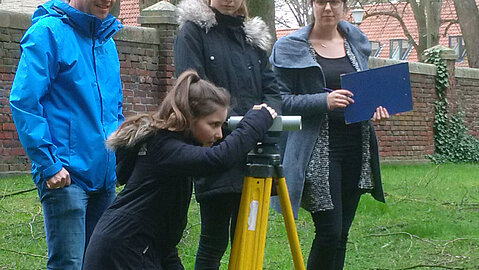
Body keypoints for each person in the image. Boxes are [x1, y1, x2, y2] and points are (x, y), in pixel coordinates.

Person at [82, 70, 277, 270]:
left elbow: (162, 236)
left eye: (222, 125)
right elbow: (218, 159)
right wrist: (256, 122)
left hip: (141, 244)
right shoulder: (165, 147)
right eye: (213, 124)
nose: (219, 134)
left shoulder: (169, 146)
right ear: (189, 118)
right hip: (124, 249)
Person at [269, 0, 390, 269]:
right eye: (320, 1)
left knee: (342, 235)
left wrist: (374, 108)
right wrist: (322, 102)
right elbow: (278, 101)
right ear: (311, 5)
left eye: (334, 1)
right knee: (329, 232)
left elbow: (362, 91)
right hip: (316, 151)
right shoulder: (289, 47)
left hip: (356, 146)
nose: (327, 7)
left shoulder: (356, 41)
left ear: (344, 6)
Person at [8, 0, 122, 269]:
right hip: (65, 178)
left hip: (104, 177)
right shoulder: (47, 32)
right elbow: (24, 102)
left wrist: (119, 157)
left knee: (101, 262)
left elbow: (115, 109)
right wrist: (49, 165)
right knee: (68, 265)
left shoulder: (107, 41)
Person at [174, 0, 282, 269]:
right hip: (216, 146)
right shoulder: (193, 32)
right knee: (214, 239)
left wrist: (264, 115)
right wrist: (238, 121)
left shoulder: (252, 38)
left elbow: (273, 90)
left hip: (255, 151)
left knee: (249, 235)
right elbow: (192, 89)